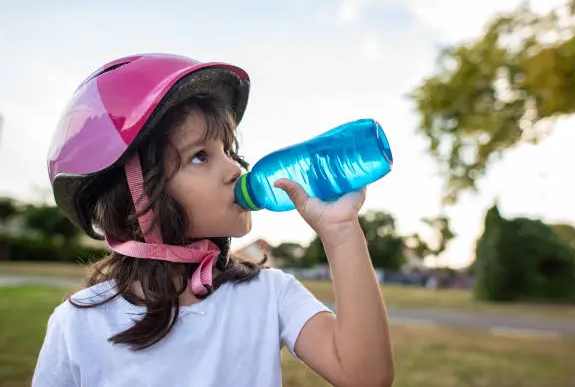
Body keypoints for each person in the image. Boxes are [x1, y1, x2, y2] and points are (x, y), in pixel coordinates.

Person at [32, 53, 394, 387]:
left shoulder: (268, 295)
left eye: (228, 150)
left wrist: (341, 232)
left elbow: (365, 375)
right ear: (136, 197)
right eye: (201, 156)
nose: (235, 168)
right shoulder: (78, 324)